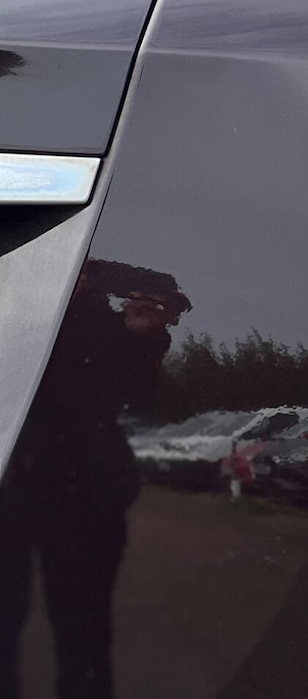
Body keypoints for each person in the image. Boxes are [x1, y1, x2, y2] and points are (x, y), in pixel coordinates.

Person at [0, 259, 190, 699]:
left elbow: (141, 397)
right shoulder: (16, 306)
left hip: (85, 497)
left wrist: (144, 337)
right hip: (12, 489)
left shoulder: (110, 327)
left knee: (83, 638)